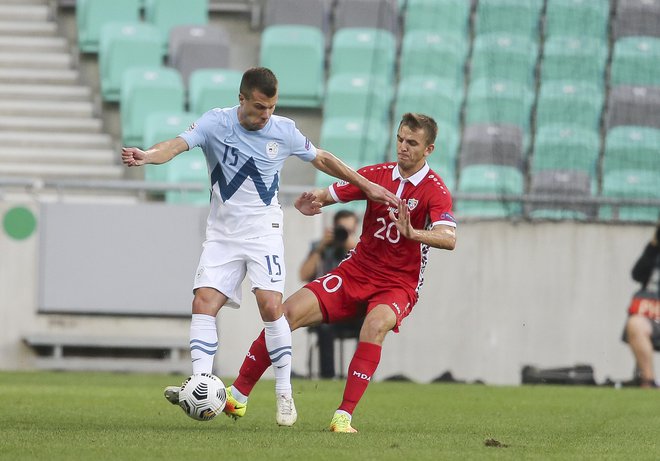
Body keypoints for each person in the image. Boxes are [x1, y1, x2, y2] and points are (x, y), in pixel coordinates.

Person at [120, 67, 398, 426]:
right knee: (203, 301)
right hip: (222, 234)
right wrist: (147, 155)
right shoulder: (215, 123)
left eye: (270, 107)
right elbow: (174, 145)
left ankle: (284, 392)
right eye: (258, 107)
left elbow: (323, 158)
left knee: (271, 306)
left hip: (263, 232)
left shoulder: (283, 130)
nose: (265, 114)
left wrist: (367, 185)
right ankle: (201, 382)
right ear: (241, 99)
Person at [223, 112, 457, 432]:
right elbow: (328, 194)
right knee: (284, 313)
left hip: (398, 284)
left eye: (412, 143)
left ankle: (343, 416)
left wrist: (414, 234)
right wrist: (311, 203)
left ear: (428, 149)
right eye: (400, 139)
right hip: (356, 272)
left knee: (374, 326)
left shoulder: (435, 190)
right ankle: (237, 395)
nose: (403, 147)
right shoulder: (375, 175)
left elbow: (449, 237)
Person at [299, 209, 363, 379]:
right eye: (342, 230)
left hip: (352, 311)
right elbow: (303, 275)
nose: (344, 234)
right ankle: (328, 378)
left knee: (369, 325)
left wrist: (354, 248)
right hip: (328, 309)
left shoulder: (360, 250)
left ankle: (360, 376)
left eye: (349, 231)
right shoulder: (321, 248)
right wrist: (320, 249)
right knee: (324, 327)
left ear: (355, 230)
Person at [622, 223, 660, 388]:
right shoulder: (654, 251)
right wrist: (653, 245)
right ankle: (648, 383)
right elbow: (637, 274)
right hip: (654, 316)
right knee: (636, 323)